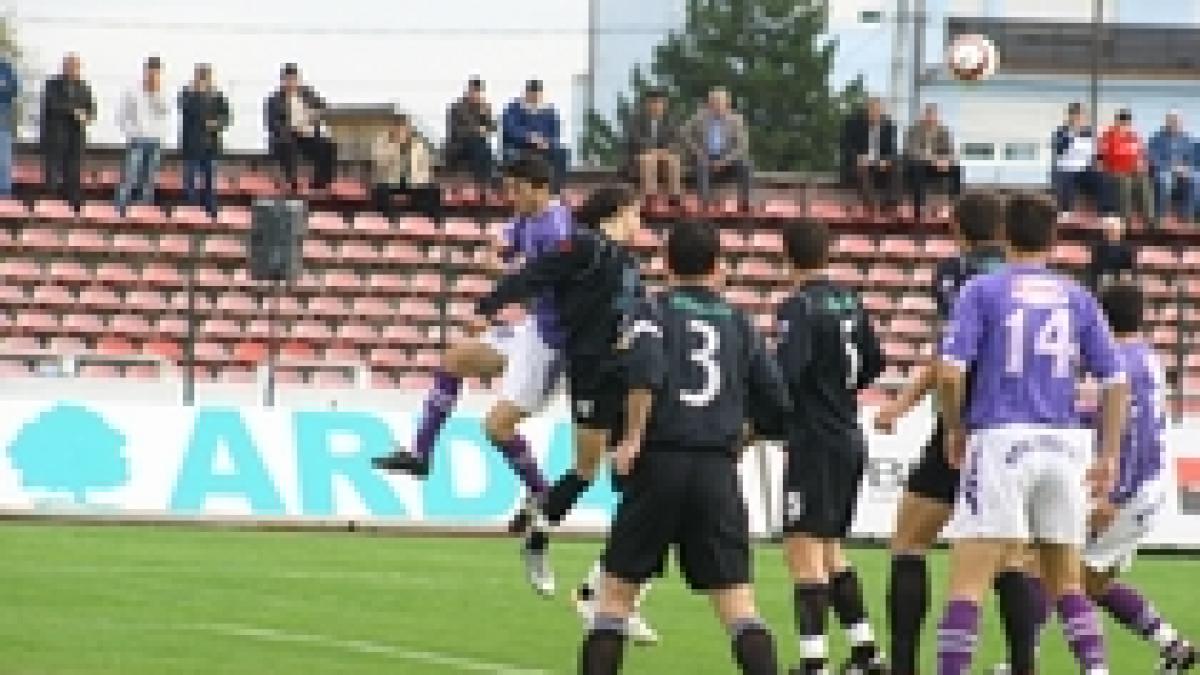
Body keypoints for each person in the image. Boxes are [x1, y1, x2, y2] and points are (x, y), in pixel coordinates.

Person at [579, 223, 792, 675]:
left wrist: (633, 436)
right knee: (739, 606)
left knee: (615, 599)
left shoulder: (649, 310)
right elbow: (777, 405)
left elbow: (645, 370)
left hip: (658, 461)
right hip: (716, 469)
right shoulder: (740, 323)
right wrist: (739, 438)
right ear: (718, 267)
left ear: (665, 263)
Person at [934, 192, 1129, 675]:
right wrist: (1108, 454)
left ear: (1003, 235)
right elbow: (1116, 381)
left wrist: (955, 428)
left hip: (1002, 439)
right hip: (1064, 444)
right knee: (1066, 580)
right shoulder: (1077, 296)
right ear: (1054, 238)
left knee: (969, 580)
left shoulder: (982, 289)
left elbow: (949, 373)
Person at [472, 184, 658, 643]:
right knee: (588, 469)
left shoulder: (630, 265)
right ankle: (540, 540)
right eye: (636, 214)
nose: (640, 224)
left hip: (625, 376)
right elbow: (537, 273)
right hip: (593, 371)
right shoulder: (586, 244)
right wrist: (490, 304)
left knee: (647, 484)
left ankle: (607, 590)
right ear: (619, 212)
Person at [373, 157, 563, 593]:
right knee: (454, 359)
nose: (509, 197)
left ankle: (541, 493)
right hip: (533, 329)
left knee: (497, 428)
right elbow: (503, 250)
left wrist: (500, 277)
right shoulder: (528, 219)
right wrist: (497, 260)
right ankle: (421, 453)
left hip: (556, 345)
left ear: (539, 188)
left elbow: (536, 282)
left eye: (516, 189)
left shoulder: (558, 229)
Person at [874, 193, 1043, 675]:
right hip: (1024, 430)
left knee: (909, 542)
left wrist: (907, 407)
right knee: (1009, 556)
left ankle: (904, 665)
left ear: (955, 230)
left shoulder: (958, 274)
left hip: (970, 424)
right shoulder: (1038, 283)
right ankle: (1022, 666)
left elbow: (951, 361)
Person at [775, 219, 887, 674]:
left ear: (788, 258)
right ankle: (865, 654)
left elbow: (786, 375)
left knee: (802, 552)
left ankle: (813, 664)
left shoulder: (797, 307)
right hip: (847, 433)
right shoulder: (850, 301)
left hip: (814, 439)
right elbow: (874, 362)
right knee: (829, 550)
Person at [1085, 283, 1196, 673]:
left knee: (1056, 572)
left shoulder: (1120, 363)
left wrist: (1115, 496)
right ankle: (1172, 646)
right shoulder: (1145, 356)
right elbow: (1123, 417)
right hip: (1153, 486)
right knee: (1094, 583)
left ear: (1102, 317)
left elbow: (1136, 434)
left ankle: (1023, 662)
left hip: (1131, 489)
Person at [265, 63, 336, 192]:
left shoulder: (308, 94)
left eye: (294, 79)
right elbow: (272, 123)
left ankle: (321, 182)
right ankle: (291, 182)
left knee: (327, 144)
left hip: (307, 134)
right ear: (283, 81)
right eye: (287, 80)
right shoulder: (274, 99)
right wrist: (291, 128)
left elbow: (324, 109)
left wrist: (314, 114)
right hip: (287, 135)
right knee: (287, 143)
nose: (291, 83)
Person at [681, 87, 753, 211]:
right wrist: (698, 152)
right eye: (713, 102)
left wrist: (726, 160)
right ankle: (704, 203)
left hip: (728, 158)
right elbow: (685, 135)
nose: (716, 106)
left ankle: (744, 201)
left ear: (727, 103)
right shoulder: (698, 118)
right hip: (704, 155)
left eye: (720, 102)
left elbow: (742, 145)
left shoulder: (737, 120)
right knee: (701, 164)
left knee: (746, 164)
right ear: (708, 104)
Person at [114, 56, 170, 214]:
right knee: (130, 176)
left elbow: (165, 111)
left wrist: (155, 93)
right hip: (137, 140)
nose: (153, 76)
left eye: (156, 73)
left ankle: (143, 211)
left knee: (149, 179)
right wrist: (132, 133)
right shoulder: (132, 90)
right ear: (145, 71)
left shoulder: (164, 91)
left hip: (156, 141)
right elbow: (121, 116)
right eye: (150, 72)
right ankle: (121, 210)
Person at [40, 53, 94, 212]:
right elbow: (52, 105)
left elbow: (91, 110)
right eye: (70, 66)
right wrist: (74, 111)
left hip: (76, 138)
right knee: (53, 174)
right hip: (56, 137)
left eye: (76, 66)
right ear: (64, 67)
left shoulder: (84, 87)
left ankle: (72, 206)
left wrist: (87, 116)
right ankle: (51, 205)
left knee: (74, 174)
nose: (73, 69)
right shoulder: (52, 84)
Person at [178, 63, 230, 218]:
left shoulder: (218, 96)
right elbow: (190, 111)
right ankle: (192, 211)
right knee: (190, 182)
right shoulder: (187, 94)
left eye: (206, 77)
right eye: (200, 76)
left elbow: (226, 118)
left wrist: (216, 124)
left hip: (211, 146)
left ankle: (210, 211)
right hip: (192, 145)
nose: (204, 80)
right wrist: (198, 94)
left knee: (209, 182)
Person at [502, 80, 567, 194]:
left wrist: (546, 142)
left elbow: (555, 135)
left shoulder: (549, 112)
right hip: (520, 146)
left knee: (561, 153)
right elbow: (509, 128)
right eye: (532, 95)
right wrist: (528, 136)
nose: (535, 98)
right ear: (526, 94)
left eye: (538, 96)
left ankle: (555, 191)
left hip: (543, 148)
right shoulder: (514, 109)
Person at [370, 113, 439, 220]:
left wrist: (421, 179)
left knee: (431, 190)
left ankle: (428, 221)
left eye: (404, 127)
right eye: (398, 128)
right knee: (380, 191)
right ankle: (390, 221)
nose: (401, 131)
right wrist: (396, 145)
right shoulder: (382, 142)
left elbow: (425, 164)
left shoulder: (419, 143)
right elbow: (381, 163)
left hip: (414, 180)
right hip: (391, 179)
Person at [841, 96, 899, 214]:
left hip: (878, 162)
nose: (875, 115)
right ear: (867, 111)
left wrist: (886, 160)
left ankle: (889, 204)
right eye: (873, 111)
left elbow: (892, 149)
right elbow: (846, 146)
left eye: (878, 112)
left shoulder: (888, 126)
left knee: (896, 165)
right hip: (860, 162)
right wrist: (858, 157)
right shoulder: (854, 123)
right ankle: (870, 203)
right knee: (862, 168)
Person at [1099, 109, 1155, 230]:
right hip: (1115, 170)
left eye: (1127, 123)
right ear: (1117, 122)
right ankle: (1126, 218)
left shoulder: (1134, 137)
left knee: (1144, 182)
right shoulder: (1108, 136)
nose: (1125, 126)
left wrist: (1141, 166)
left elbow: (1141, 155)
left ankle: (1148, 218)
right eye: (1122, 123)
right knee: (1125, 182)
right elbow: (1106, 157)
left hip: (1133, 170)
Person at [904, 102, 960, 219]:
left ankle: (954, 204)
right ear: (923, 116)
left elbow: (951, 152)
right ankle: (919, 207)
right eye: (928, 115)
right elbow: (911, 151)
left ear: (937, 117)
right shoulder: (914, 130)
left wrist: (945, 161)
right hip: (921, 165)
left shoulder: (943, 132)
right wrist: (933, 160)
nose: (930, 118)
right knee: (917, 167)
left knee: (956, 169)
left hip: (938, 165)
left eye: (933, 115)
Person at [626, 89, 682, 202]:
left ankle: (674, 195)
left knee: (673, 160)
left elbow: (675, 140)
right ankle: (650, 195)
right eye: (653, 103)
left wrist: (664, 151)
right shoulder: (637, 120)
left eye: (659, 103)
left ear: (664, 105)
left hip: (663, 155)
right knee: (648, 159)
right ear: (647, 105)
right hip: (642, 154)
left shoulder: (670, 120)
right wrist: (653, 150)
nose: (656, 106)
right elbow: (635, 140)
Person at [445, 76, 497, 190]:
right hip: (459, 143)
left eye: (478, 92)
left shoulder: (485, 107)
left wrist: (483, 114)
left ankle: (486, 184)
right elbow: (455, 129)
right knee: (479, 146)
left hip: (479, 143)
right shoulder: (457, 107)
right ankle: (480, 183)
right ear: (468, 91)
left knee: (485, 149)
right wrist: (476, 130)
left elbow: (493, 127)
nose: (475, 95)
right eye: (473, 91)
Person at [1149, 110, 1195, 225]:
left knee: (1191, 180)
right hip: (1164, 170)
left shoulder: (1186, 139)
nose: (1175, 124)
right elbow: (1154, 158)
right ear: (1167, 122)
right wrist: (1170, 167)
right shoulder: (1157, 138)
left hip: (1181, 170)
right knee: (1163, 179)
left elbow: (1190, 158)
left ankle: (1186, 215)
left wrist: (1185, 168)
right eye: (1172, 121)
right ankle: (1161, 215)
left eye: (1177, 122)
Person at [1052, 102, 1099, 214]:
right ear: (1070, 117)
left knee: (1103, 177)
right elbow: (1060, 151)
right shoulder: (1061, 132)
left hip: (1085, 167)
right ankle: (1065, 211)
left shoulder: (1089, 132)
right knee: (1065, 178)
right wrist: (1072, 133)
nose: (1079, 119)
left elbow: (1093, 152)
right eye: (1076, 116)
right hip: (1067, 167)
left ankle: (1104, 212)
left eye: (1081, 116)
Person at [1086, 216, 1135, 293]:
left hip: (1123, 288)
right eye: (1111, 229)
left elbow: (1130, 272)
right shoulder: (1098, 249)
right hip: (1102, 287)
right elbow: (1095, 272)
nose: (1114, 232)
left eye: (1117, 229)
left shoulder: (1129, 249)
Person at [0, 50, 19, 197]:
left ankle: (4, 192)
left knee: (3, 159)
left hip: (3, 120)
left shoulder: (7, 69)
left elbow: (13, 91)